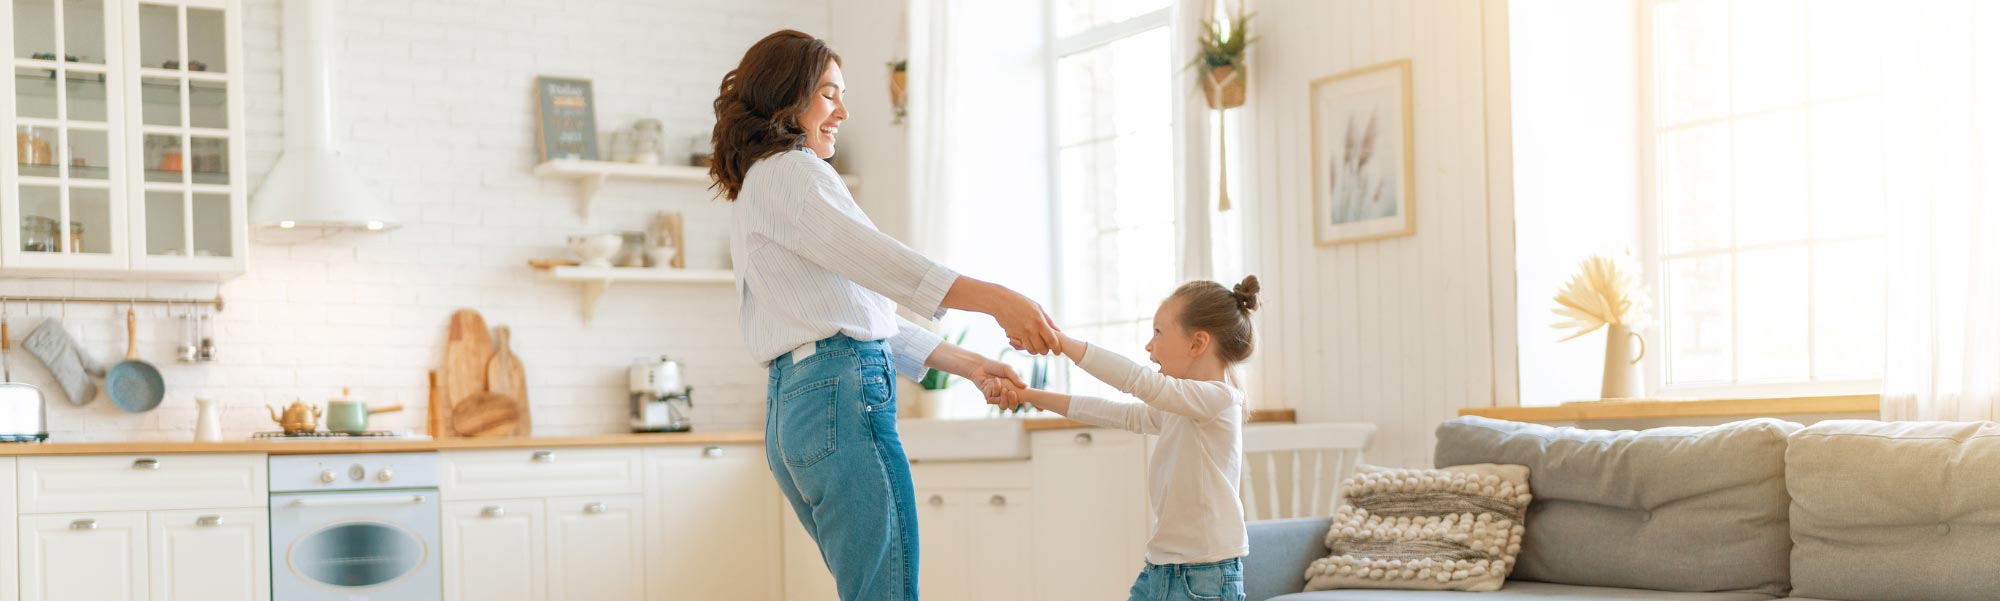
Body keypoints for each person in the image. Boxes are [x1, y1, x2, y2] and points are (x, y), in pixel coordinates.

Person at [711, 30, 1056, 601]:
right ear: (785, 97)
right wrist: (1000, 300)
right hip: (838, 397)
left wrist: (969, 364)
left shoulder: (760, 185)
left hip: (796, 408)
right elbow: (886, 267)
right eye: (828, 94)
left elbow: (854, 311)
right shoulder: (794, 173)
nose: (843, 112)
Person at [990, 276, 1262, 601]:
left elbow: (1139, 382)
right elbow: (1118, 414)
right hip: (1161, 567)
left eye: (1158, 332)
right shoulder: (1183, 405)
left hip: (1203, 575)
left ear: (1197, 343)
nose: (1149, 345)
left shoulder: (1220, 400)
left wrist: (1062, 343)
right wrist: (1029, 395)